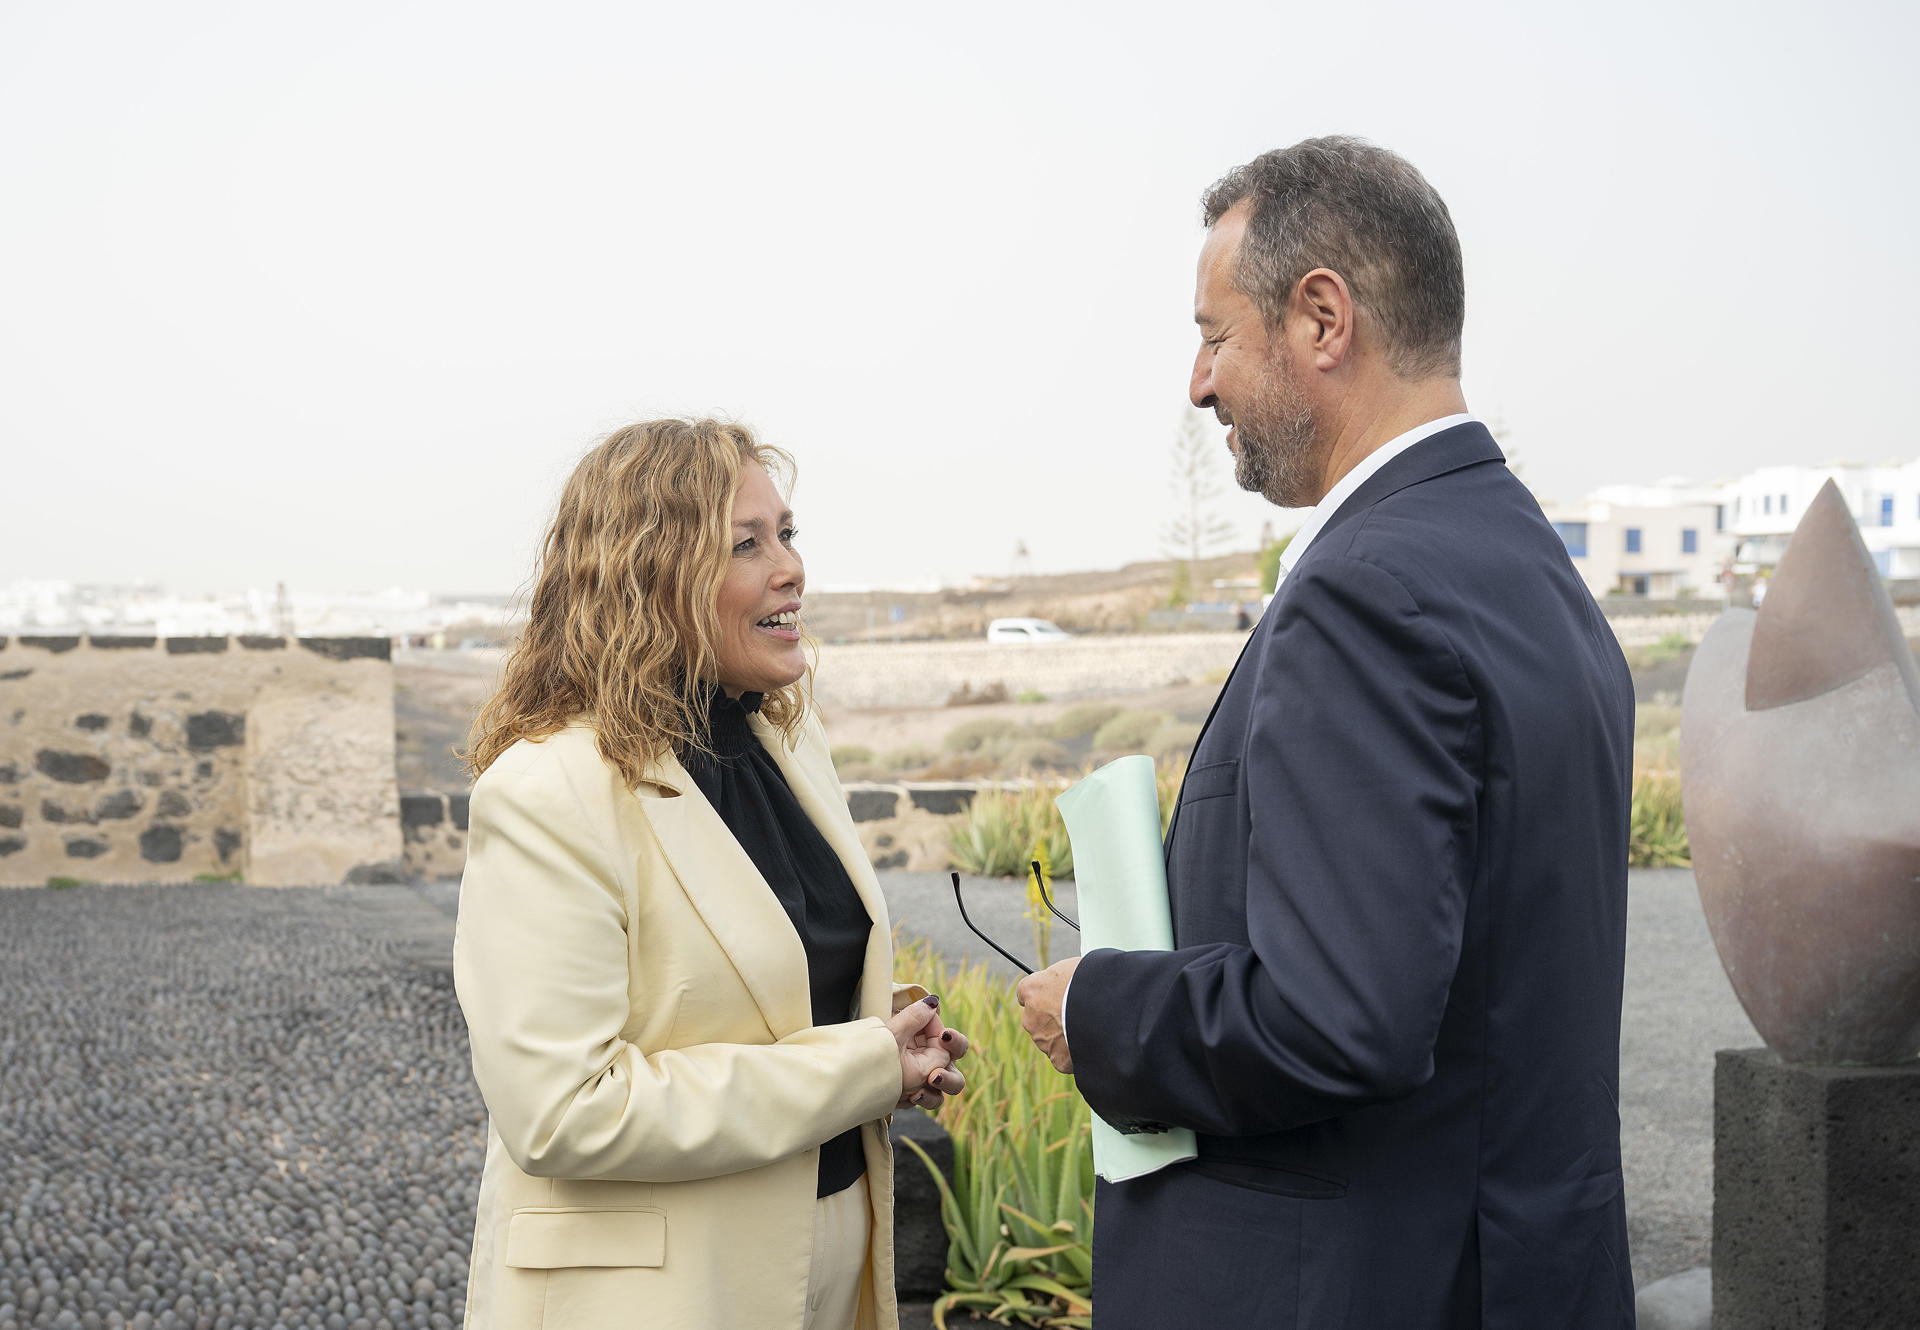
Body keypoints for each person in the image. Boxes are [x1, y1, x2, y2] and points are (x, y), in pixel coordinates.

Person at [1016, 138, 1635, 1327]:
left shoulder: (1365, 593)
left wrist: (1101, 1009)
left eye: (1215, 336)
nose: (1198, 385)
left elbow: (1338, 1020)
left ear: (1321, 318)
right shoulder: (1525, 565)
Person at [453, 418, 968, 1330]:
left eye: (787, 534)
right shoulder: (547, 791)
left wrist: (885, 1029)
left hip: (827, 1265)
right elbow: (564, 1112)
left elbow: (755, 991)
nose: (791, 568)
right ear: (651, 575)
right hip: (655, 1296)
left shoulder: (789, 746)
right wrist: (863, 1065)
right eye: (745, 544)